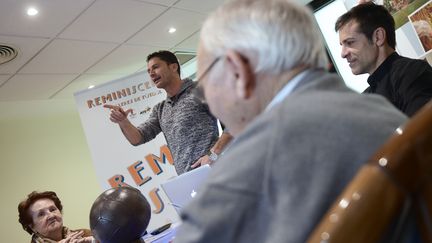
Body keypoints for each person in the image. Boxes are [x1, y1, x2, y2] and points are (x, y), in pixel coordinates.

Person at [174, 0, 411, 242]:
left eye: (205, 88)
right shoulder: (383, 112)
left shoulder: (252, 164)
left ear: (238, 69)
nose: (211, 104)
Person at [104, 50, 232, 174]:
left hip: (216, 171)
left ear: (173, 67)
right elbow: (137, 138)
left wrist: (213, 155)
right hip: (189, 180)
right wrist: (123, 121)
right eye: (149, 71)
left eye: (155, 67)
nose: (151, 74)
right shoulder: (160, 109)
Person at [335, 2, 432, 117]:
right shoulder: (364, 99)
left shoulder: (413, 73)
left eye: (350, 43)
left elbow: (421, 132)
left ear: (378, 37)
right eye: (342, 45)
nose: (343, 54)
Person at [18, 191, 95, 243]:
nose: (51, 215)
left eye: (52, 209)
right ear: (32, 226)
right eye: (41, 214)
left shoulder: (86, 234)